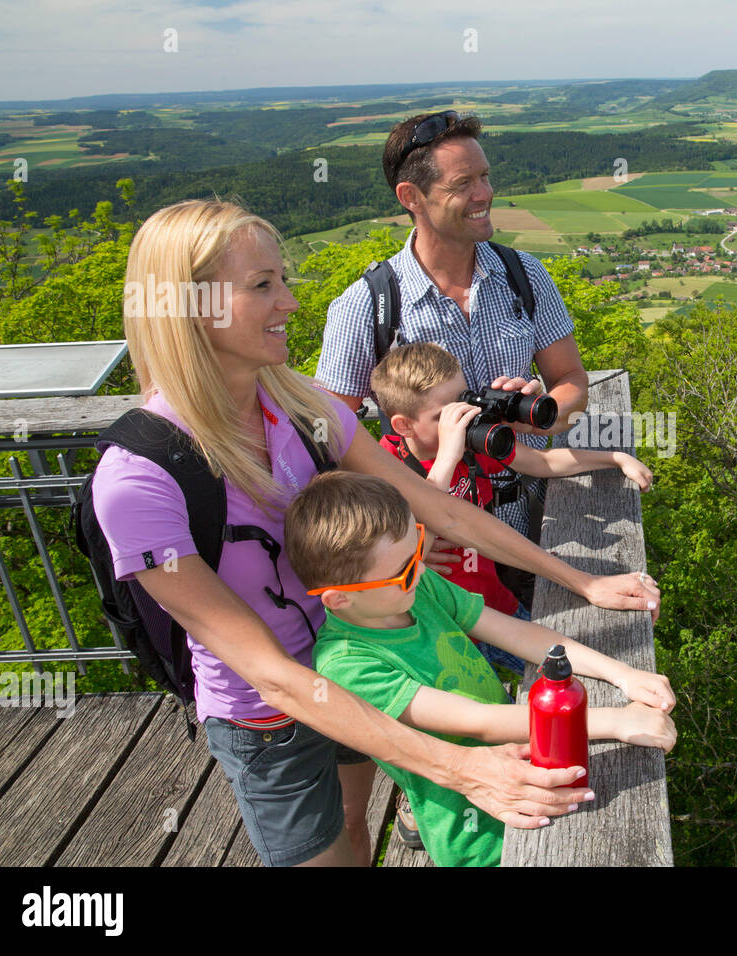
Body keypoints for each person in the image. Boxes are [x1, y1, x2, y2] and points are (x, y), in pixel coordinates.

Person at [92, 199, 662, 866]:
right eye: (263, 285)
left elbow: (440, 510)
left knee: (359, 831)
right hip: (271, 719)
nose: (290, 304)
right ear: (190, 308)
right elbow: (272, 676)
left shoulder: (300, 407)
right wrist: (461, 768)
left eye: (282, 280)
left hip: (367, 655)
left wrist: (582, 582)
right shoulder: (139, 481)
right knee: (335, 850)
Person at [286, 470, 676, 866]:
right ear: (340, 599)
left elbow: (517, 633)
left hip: (532, 771)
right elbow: (478, 720)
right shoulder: (347, 665)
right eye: (403, 572)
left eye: (417, 548)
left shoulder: (418, 588)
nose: (420, 569)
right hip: (476, 834)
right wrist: (616, 721)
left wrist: (621, 674)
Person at [315, 110, 589, 551]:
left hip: (533, 518)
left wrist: (539, 415)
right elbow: (329, 439)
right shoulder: (367, 306)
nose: (485, 194)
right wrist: (402, 530)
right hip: (436, 540)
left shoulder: (524, 275)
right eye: (463, 184)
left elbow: (572, 379)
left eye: (485, 176)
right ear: (412, 196)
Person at [369, 341, 654, 674]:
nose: (459, 422)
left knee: (569, 679)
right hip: (447, 637)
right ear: (403, 425)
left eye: (462, 405)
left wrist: (614, 458)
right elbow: (406, 560)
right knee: (491, 703)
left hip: (497, 608)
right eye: (442, 417)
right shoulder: (385, 471)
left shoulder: (471, 443)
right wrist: (447, 459)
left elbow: (541, 462)